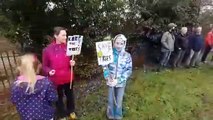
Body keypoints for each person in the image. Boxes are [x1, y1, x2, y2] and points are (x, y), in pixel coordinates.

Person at [42, 26, 77, 120]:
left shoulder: (69, 47)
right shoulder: (47, 50)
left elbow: (72, 61)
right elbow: (44, 66)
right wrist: (49, 71)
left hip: (68, 77)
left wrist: (72, 64)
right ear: (56, 36)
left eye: (66, 35)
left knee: (70, 95)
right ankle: (61, 114)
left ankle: (71, 111)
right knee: (58, 98)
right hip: (55, 80)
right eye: (63, 35)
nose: (65, 37)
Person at [11, 54, 58, 120]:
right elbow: (53, 98)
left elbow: (14, 100)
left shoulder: (16, 85)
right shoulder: (46, 83)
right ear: (38, 67)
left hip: (27, 117)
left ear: (20, 68)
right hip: (46, 116)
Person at [102, 34, 132, 120]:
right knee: (111, 100)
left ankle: (118, 116)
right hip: (110, 81)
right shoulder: (109, 54)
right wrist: (107, 76)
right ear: (113, 43)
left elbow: (128, 70)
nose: (119, 45)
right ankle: (110, 116)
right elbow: (104, 66)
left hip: (121, 83)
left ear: (124, 44)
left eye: (121, 43)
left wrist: (119, 80)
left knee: (119, 101)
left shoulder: (127, 56)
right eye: (117, 43)